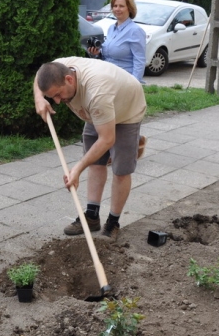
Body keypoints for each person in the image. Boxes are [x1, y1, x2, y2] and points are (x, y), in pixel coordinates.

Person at [33, 57, 147, 241]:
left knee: (121, 170)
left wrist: (77, 169)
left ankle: (113, 222)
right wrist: (39, 98)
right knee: (95, 161)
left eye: (58, 94)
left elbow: (107, 139)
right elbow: (40, 74)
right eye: (51, 97)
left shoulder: (97, 93)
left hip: (127, 111)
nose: (57, 101)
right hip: (98, 112)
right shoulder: (56, 68)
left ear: (69, 79)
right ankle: (92, 216)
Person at [88, 0, 147, 82]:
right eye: (115, 6)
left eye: (121, 6)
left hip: (124, 80)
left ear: (129, 9)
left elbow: (139, 61)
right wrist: (97, 53)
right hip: (108, 77)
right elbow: (107, 56)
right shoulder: (111, 29)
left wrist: (135, 82)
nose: (117, 9)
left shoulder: (135, 31)